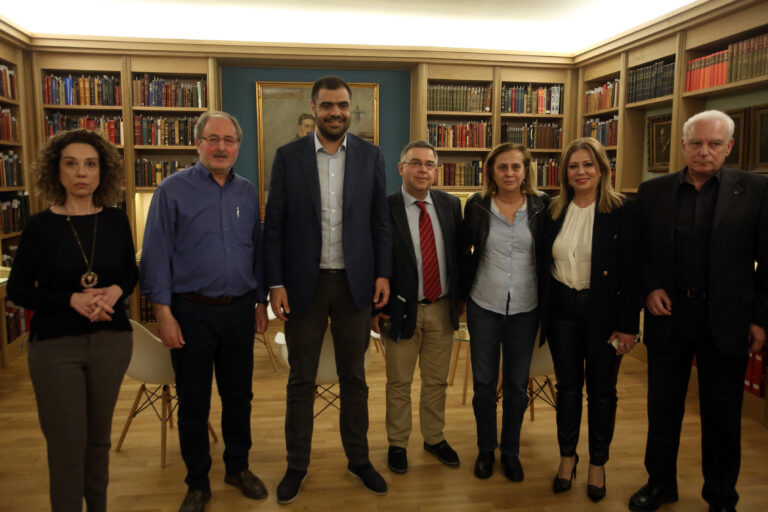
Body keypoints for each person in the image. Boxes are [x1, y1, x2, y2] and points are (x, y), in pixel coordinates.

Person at [630, 110, 768, 512]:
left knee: (723, 415)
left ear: (729, 147)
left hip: (728, 319)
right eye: (696, 143)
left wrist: (760, 318)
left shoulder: (756, 190)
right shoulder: (652, 191)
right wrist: (649, 288)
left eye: (713, 144)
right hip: (669, 316)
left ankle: (721, 495)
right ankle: (660, 484)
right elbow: (639, 252)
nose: (704, 151)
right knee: (663, 408)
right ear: (683, 146)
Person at [264, 75, 392, 503]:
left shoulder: (371, 156)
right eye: (327, 106)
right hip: (305, 286)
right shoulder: (288, 157)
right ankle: (296, 466)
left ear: (350, 109)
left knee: (354, 378)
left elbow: (379, 221)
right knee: (301, 380)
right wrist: (275, 283)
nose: (335, 113)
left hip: (356, 286)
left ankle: (359, 460)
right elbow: (274, 224)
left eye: (342, 106)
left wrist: (383, 274)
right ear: (314, 108)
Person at [140, 111, 269, 512]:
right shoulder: (171, 190)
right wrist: (163, 314)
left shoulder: (246, 192)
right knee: (194, 403)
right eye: (213, 139)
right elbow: (155, 256)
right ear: (197, 143)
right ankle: (197, 482)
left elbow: (256, 250)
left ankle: (238, 468)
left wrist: (260, 302)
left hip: (239, 312)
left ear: (238, 147)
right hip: (190, 312)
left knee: (239, 397)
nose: (221, 147)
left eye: (229, 140)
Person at [7, 129, 137, 512]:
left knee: (98, 442)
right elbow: (18, 289)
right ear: (57, 170)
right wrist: (71, 299)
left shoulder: (116, 220)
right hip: (55, 347)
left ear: (102, 172)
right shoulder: (39, 226)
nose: (82, 173)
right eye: (72, 164)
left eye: (90, 164)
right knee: (66, 446)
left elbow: (130, 272)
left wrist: (115, 291)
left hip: (111, 342)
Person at [542, 137, 639, 502]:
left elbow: (632, 274)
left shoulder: (624, 211)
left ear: (602, 169)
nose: (580, 171)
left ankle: (598, 463)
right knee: (567, 390)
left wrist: (628, 326)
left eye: (588, 165)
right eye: (573, 166)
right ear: (564, 172)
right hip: (562, 313)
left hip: (605, 316)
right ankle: (567, 458)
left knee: (602, 393)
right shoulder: (552, 210)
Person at [458, 142, 549, 482]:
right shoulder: (477, 205)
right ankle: (486, 449)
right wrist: (461, 298)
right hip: (484, 304)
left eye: (516, 166)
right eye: (502, 167)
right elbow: (464, 252)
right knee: (484, 384)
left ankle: (510, 451)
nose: (509, 173)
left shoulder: (542, 206)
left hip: (526, 307)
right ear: (491, 173)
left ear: (526, 171)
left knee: (516, 385)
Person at [371, 140, 463, 475]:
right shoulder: (384, 208)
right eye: (415, 163)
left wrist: (462, 299)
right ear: (401, 168)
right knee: (399, 383)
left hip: (442, 307)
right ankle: (397, 443)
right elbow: (372, 260)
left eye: (429, 164)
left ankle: (434, 438)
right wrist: (373, 308)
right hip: (400, 309)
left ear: (436, 170)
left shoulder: (451, 205)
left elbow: (459, 255)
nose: (423, 170)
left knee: (436, 381)